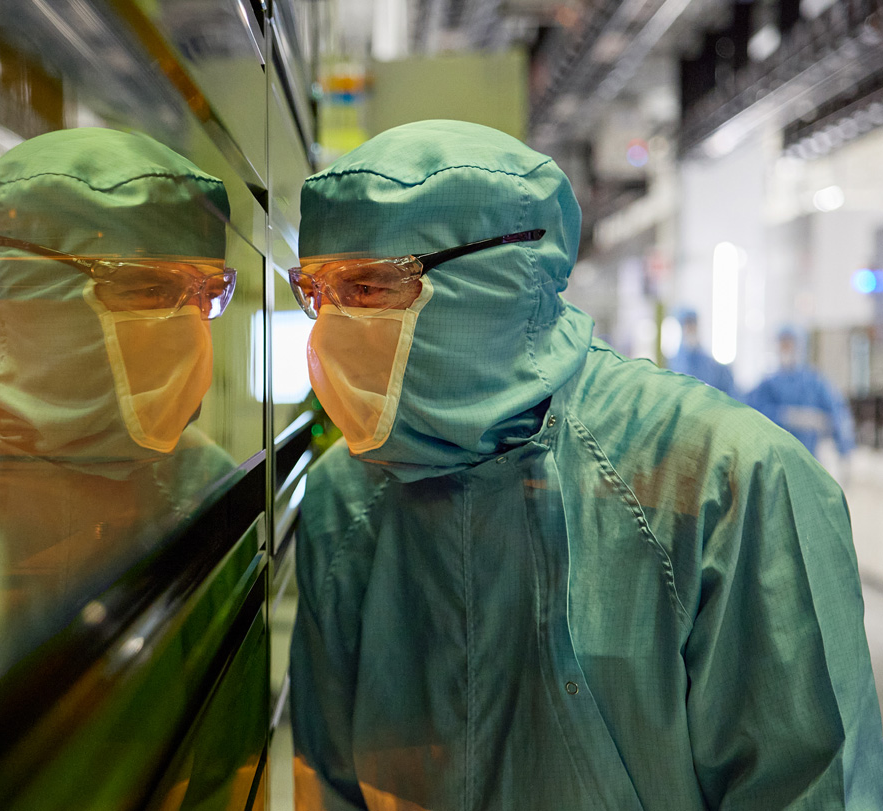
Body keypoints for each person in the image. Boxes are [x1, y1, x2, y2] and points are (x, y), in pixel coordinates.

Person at [287, 120, 883, 810]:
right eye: (319, 294)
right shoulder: (343, 500)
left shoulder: (729, 483)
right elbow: (330, 783)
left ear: (496, 272)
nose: (332, 330)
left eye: (368, 288)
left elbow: (811, 788)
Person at [0, 128, 238, 650]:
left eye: (206, 294)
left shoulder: (207, 481)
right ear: (32, 292)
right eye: (150, 288)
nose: (190, 330)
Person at [747, 326, 855, 460]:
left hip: (810, 457)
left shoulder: (814, 381)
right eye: (783, 345)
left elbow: (838, 412)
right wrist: (787, 416)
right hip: (776, 458)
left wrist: (845, 450)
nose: (786, 349)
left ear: (799, 347)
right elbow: (753, 413)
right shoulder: (768, 384)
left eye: (789, 344)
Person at [666, 308, 735, 397]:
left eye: (693, 324)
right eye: (687, 324)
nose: (690, 328)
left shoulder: (712, 366)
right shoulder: (673, 364)